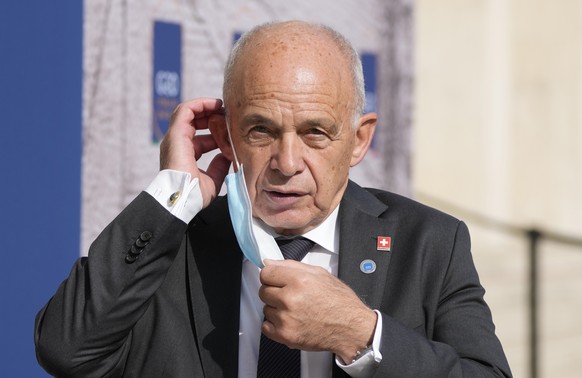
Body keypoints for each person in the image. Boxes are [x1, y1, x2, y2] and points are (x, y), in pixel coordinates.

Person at [35, 20, 512, 378]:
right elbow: (65, 349)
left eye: (315, 133)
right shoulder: (172, 242)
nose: (287, 162)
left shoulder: (429, 242)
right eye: (261, 130)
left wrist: (360, 334)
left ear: (359, 140)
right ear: (225, 136)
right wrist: (173, 195)